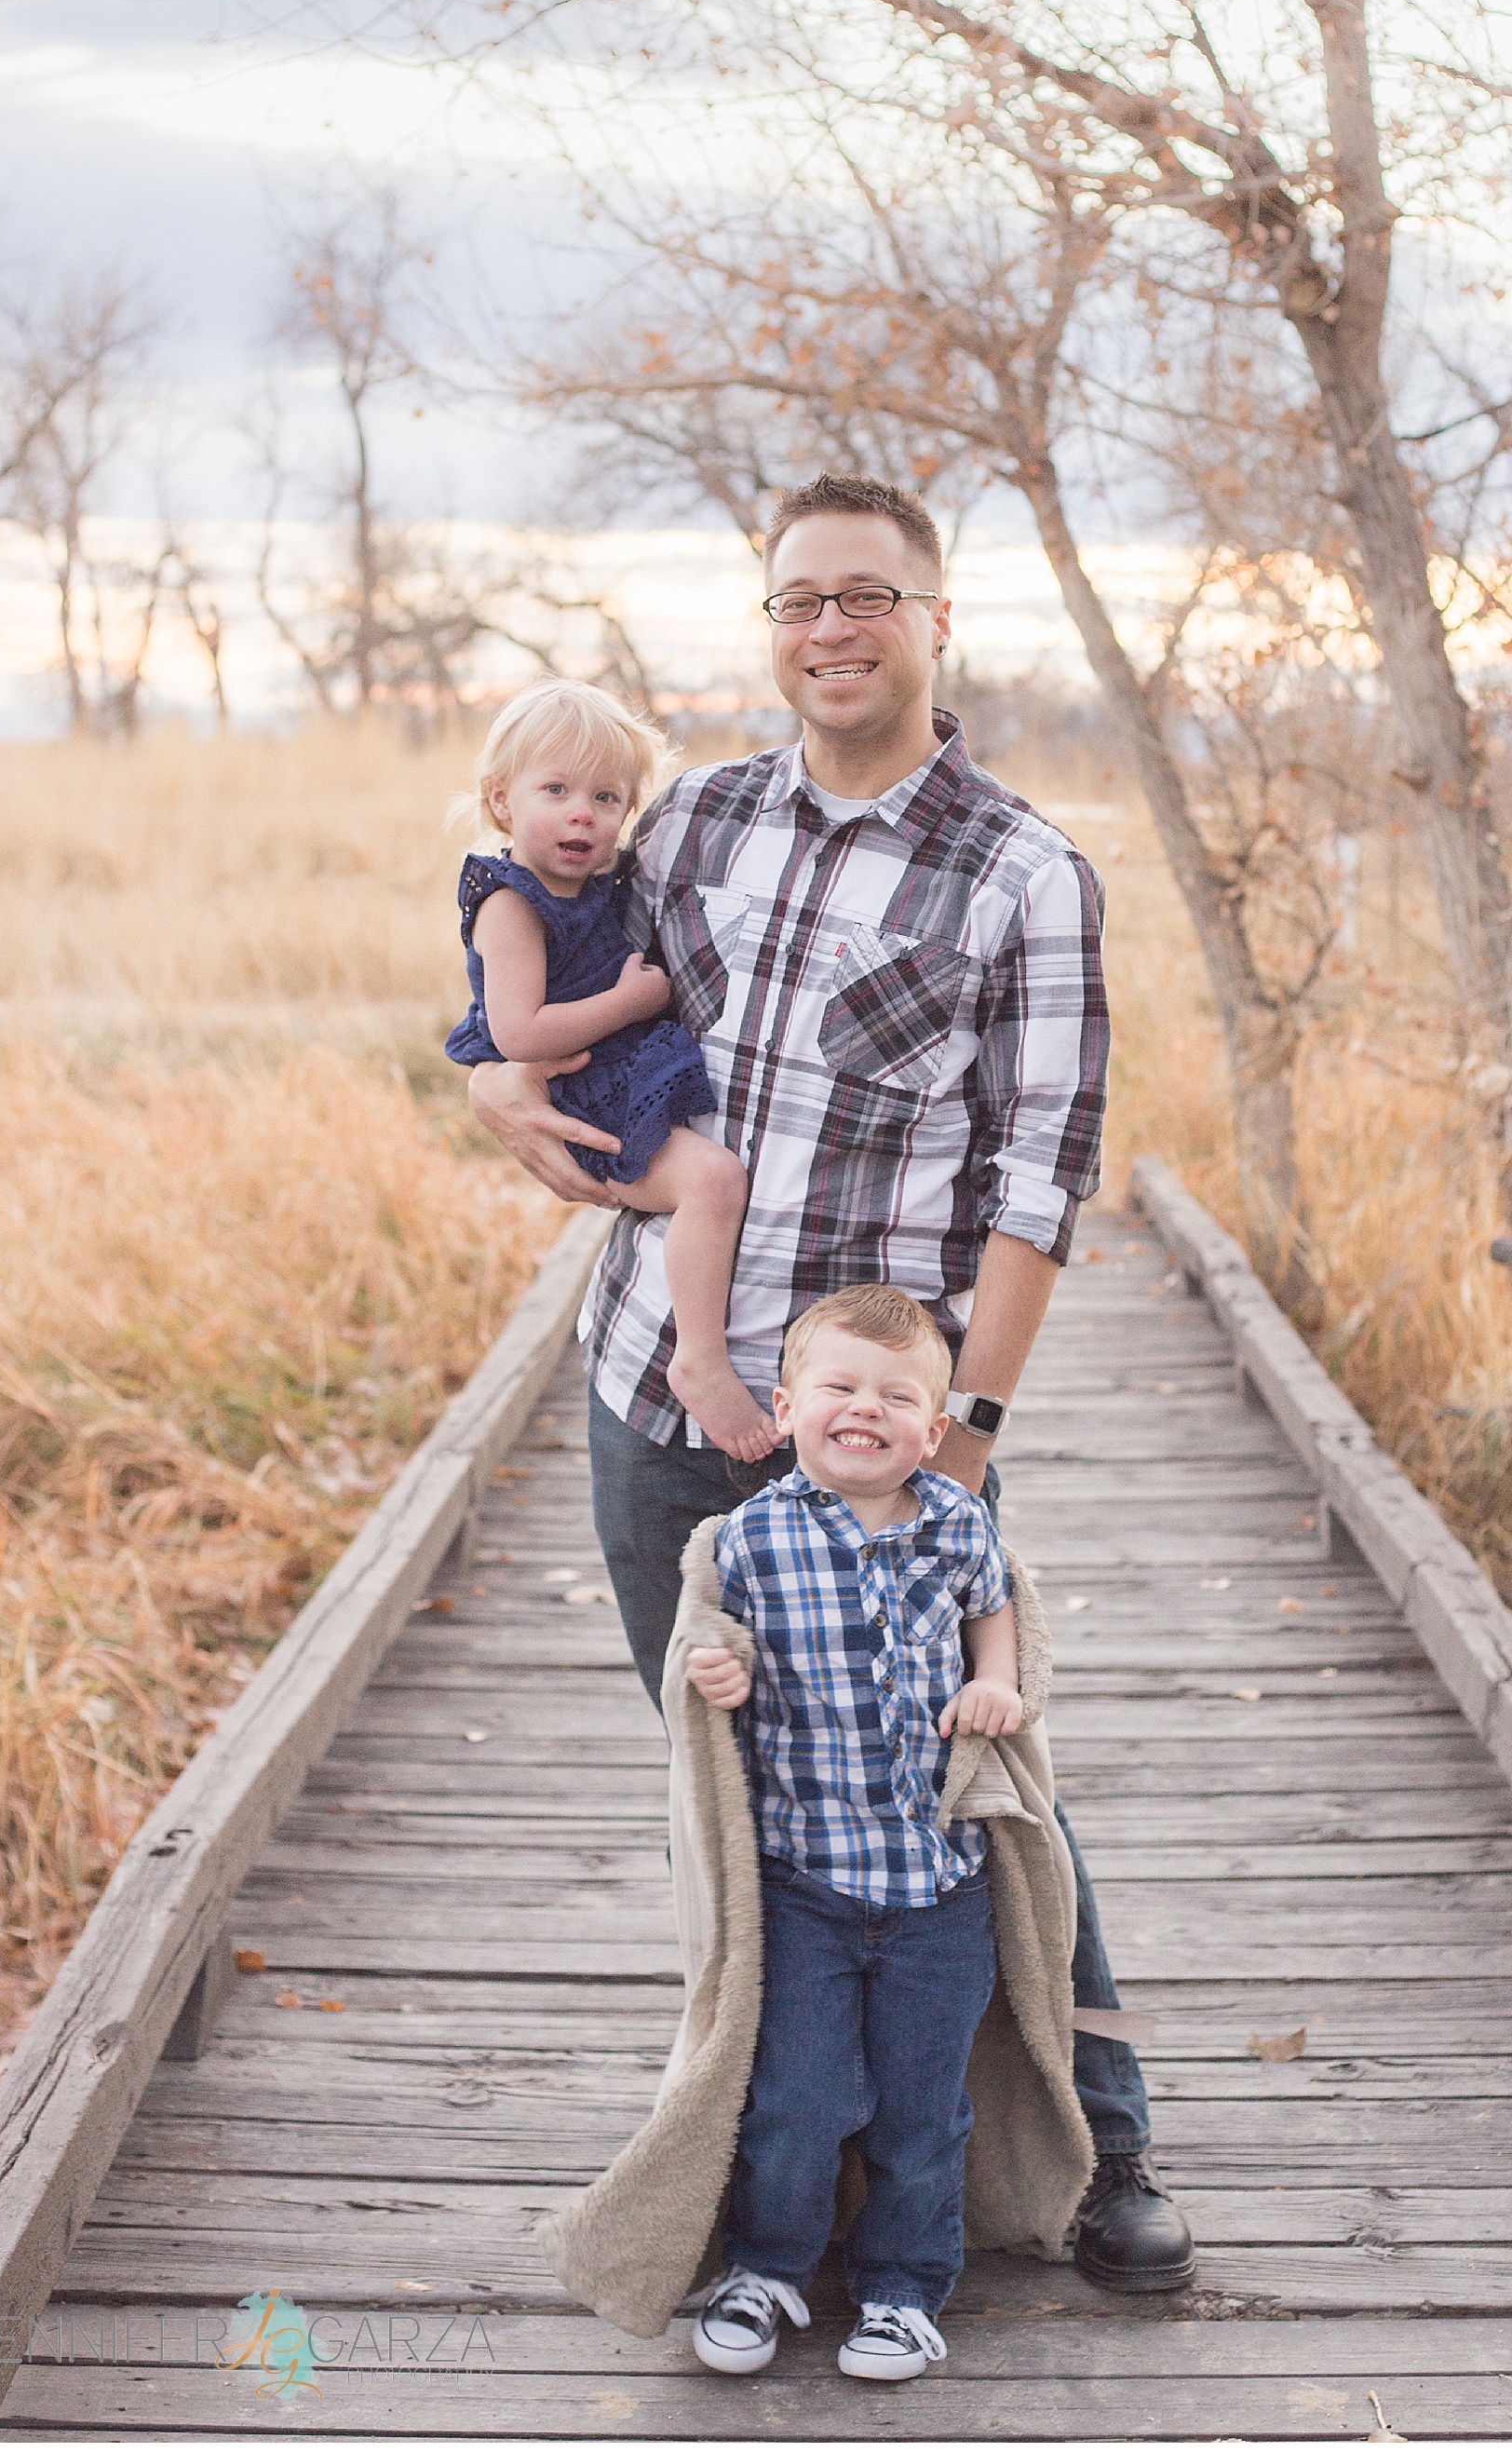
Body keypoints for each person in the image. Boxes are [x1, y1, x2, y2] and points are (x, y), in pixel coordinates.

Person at [470, 468, 1194, 2296]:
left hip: (883, 1441)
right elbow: (547, 981)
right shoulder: (696, 820)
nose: (831, 628)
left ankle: (1105, 2137)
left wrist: (967, 1440)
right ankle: (767, 2125)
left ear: (936, 622)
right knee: (724, 1767)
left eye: (867, 595)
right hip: (660, 1394)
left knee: (980, 1761)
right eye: (798, 600)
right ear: (771, 626)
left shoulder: (1020, 870)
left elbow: (1041, 1177)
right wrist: (490, 1079)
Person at [684, 1285, 1025, 2383]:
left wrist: (996, 1678)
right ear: (785, 1407)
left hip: (938, 1888)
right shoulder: (747, 1539)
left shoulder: (955, 1520)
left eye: (894, 1395)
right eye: (837, 1386)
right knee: (798, 2093)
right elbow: (707, 1644)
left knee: (923, 2107)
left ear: (932, 1430)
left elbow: (996, 1598)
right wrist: (717, 1671)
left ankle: (901, 2286)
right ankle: (768, 2263)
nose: (862, 1408)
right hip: (805, 1886)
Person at [446, 682, 776, 1463]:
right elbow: (518, 1032)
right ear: (500, 801)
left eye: (606, 797)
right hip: (583, 1089)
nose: (581, 814)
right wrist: (634, 1001)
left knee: (714, 1178)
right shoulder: (510, 905)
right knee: (714, 1182)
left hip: (618, 1069)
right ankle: (700, 1359)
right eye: (554, 790)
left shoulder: (596, 885)